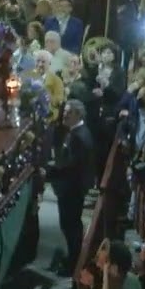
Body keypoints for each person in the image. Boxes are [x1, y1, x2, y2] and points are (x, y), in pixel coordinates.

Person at [46, 100, 95, 275]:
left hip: (72, 189)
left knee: (70, 225)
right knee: (70, 225)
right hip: (72, 187)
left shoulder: (78, 137)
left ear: (78, 115)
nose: (64, 115)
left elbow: (72, 166)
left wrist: (49, 171)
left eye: (69, 112)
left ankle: (74, 263)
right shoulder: (76, 133)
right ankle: (73, 257)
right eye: (64, 111)